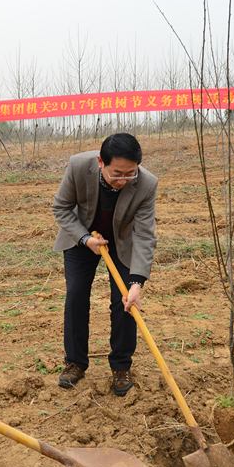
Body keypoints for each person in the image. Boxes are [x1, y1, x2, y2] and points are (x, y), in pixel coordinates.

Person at [52, 133, 158, 397]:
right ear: (101, 162)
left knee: (125, 302)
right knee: (76, 295)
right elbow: (61, 207)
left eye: (130, 174)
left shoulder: (147, 184)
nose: (123, 180)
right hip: (82, 237)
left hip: (122, 242)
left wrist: (136, 284)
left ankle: (121, 366)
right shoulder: (78, 166)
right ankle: (75, 363)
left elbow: (144, 236)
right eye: (116, 173)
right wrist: (86, 239)